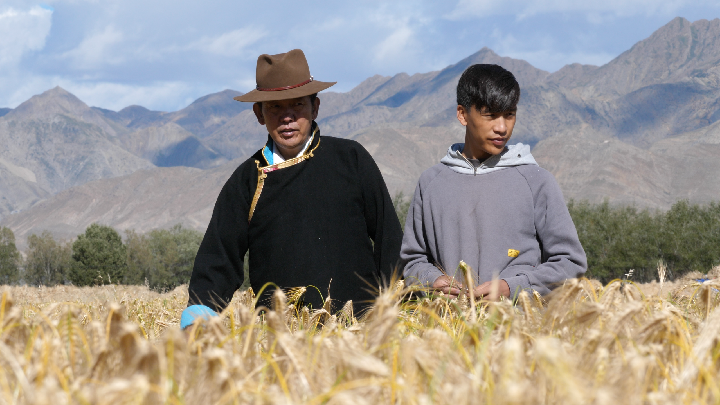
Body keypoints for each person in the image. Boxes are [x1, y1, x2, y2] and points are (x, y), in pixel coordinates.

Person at [181, 49, 402, 329]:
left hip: (360, 334)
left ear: (315, 107)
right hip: (280, 344)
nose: (287, 117)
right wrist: (196, 326)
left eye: (297, 105)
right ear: (259, 113)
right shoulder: (247, 180)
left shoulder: (351, 159)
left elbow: (390, 242)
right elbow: (217, 261)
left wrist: (407, 314)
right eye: (274, 107)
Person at [400, 64, 587, 300]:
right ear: (462, 114)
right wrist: (432, 281)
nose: (502, 127)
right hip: (448, 330)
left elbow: (570, 261)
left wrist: (514, 287)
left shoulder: (537, 182)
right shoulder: (431, 183)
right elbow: (413, 261)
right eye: (490, 115)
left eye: (509, 114)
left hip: (518, 331)